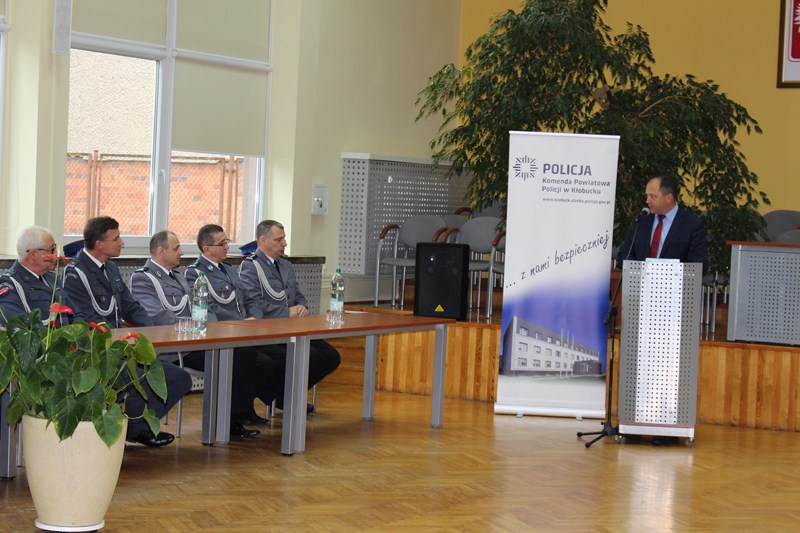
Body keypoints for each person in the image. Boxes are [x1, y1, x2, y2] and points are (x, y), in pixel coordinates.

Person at [61, 216, 192, 447]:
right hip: (98, 354)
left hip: (122, 348)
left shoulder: (110, 268)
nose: (121, 243)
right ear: (99, 244)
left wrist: (149, 338)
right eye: (116, 239)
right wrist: (120, 344)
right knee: (141, 377)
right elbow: (84, 320)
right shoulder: (75, 274)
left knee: (179, 378)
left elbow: (131, 307)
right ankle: (133, 428)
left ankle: (135, 427)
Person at [129, 229, 261, 439]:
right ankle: (225, 423)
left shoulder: (178, 277)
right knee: (234, 356)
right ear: (161, 251)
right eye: (176, 248)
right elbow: (157, 317)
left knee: (241, 353)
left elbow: (201, 309)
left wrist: (212, 327)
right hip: (172, 349)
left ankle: (231, 419)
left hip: (193, 343)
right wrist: (193, 326)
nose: (181, 252)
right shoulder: (142, 278)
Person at [184, 224, 283, 431]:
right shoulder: (196, 273)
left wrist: (255, 318)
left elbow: (248, 299)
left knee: (276, 359)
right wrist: (237, 324)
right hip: (224, 335)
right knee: (253, 361)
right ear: (206, 248)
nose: (227, 246)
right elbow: (207, 310)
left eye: (227, 242)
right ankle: (235, 415)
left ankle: (246, 408)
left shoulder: (229, 269)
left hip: (244, 332)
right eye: (222, 243)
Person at [239, 219, 341, 411]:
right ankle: (284, 397)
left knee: (330, 356)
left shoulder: (285, 265)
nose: (284, 243)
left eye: (284, 239)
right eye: (279, 240)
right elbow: (253, 302)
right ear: (263, 240)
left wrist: (302, 306)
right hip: (269, 330)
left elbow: (297, 294)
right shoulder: (250, 266)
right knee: (306, 356)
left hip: (293, 328)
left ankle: (282, 394)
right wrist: (287, 312)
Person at [617, 173, 709, 274]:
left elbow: (699, 266)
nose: (647, 201)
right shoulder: (641, 220)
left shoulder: (692, 225)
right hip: (640, 281)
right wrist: (643, 272)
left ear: (668, 198)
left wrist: (665, 274)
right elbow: (624, 254)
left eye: (652, 196)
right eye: (647, 196)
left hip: (674, 283)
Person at [0, 226, 69, 327]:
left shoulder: (52, 278)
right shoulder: (10, 284)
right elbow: (19, 326)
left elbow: (77, 314)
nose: (56, 254)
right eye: (51, 249)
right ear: (33, 254)